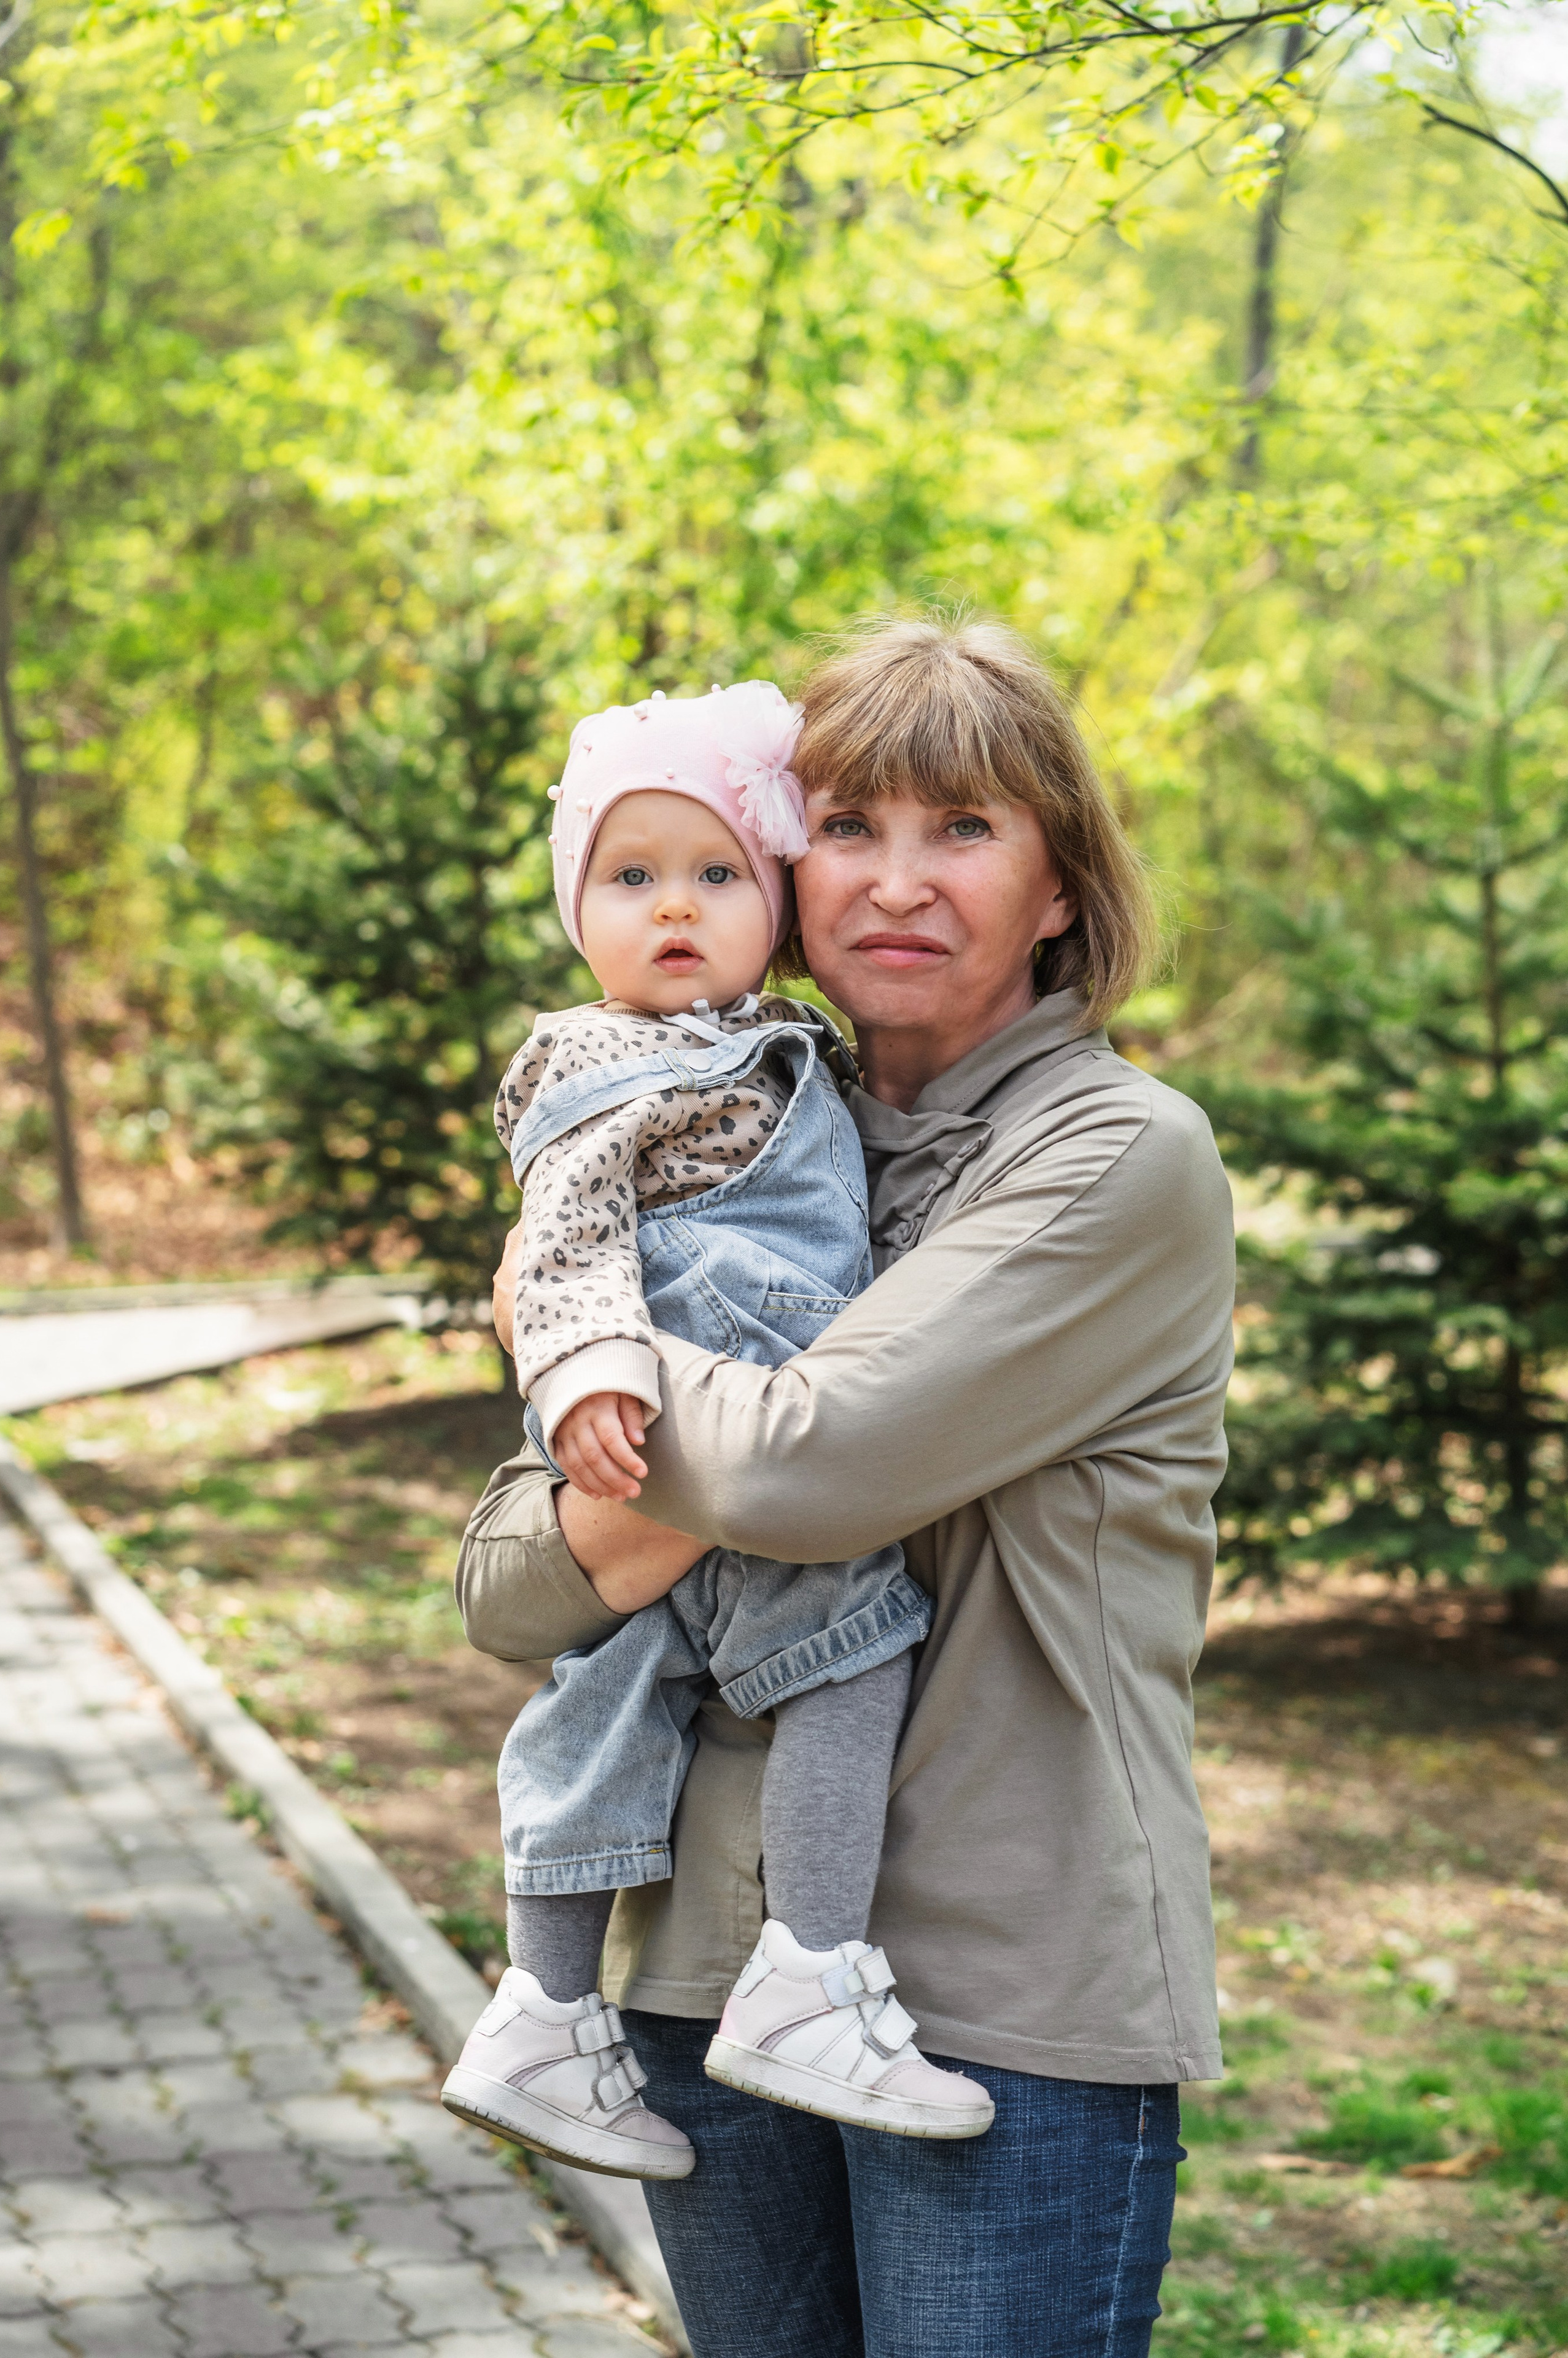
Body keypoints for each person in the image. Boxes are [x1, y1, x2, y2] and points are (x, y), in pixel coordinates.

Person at [458, 615, 1236, 2358]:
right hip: (695, 1989)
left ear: (1057, 887)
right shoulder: (732, 1132)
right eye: (854, 828)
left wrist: (556, 1313)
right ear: (786, 870)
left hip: (998, 2000)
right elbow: (508, 1586)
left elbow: (813, 1469)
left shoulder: (1115, 1160)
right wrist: (617, 1374)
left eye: (963, 830)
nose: (897, 881)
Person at [441, 678, 995, 2184]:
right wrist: (583, 1373)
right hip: (702, 1389)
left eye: (715, 876)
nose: (672, 910)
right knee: (852, 1648)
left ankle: (544, 2010)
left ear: (777, 904)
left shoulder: (777, 1037)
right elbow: (561, 1242)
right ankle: (810, 1971)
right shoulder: (600, 1060)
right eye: (629, 880)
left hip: (709, 1411)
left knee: (606, 1696)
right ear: (574, 915)